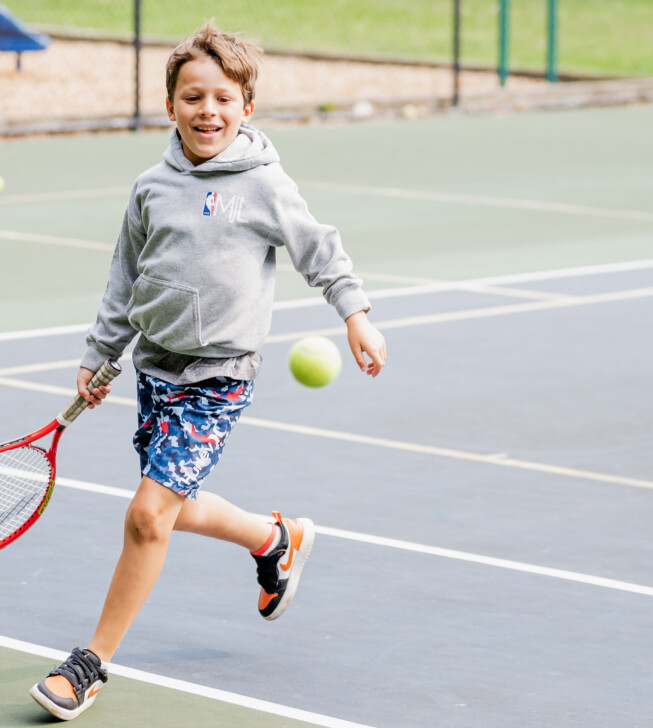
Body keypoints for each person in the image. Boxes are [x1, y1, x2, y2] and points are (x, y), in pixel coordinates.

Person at [29, 19, 387, 721]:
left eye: (223, 98)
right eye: (192, 97)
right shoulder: (151, 188)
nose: (208, 111)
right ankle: (275, 539)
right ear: (171, 106)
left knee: (146, 515)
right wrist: (99, 355)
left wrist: (355, 313)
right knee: (175, 505)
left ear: (246, 107)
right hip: (155, 368)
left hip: (219, 376)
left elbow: (320, 249)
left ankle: (91, 663)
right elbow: (125, 279)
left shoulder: (263, 184)